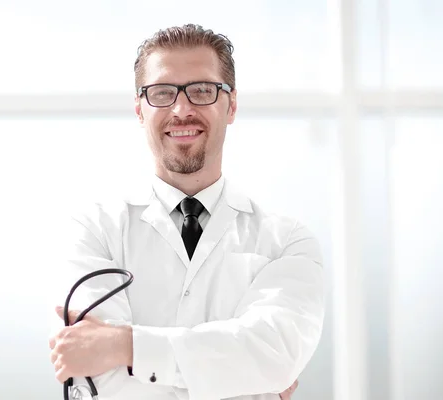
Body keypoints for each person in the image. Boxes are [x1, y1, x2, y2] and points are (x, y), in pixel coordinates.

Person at [48, 24, 325, 400]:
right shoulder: (94, 231)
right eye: (162, 92)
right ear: (139, 110)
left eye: (201, 91)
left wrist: (125, 346)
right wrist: (242, 376)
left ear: (231, 106)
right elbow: (98, 382)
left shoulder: (287, 242)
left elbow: (276, 356)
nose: (181, 109)